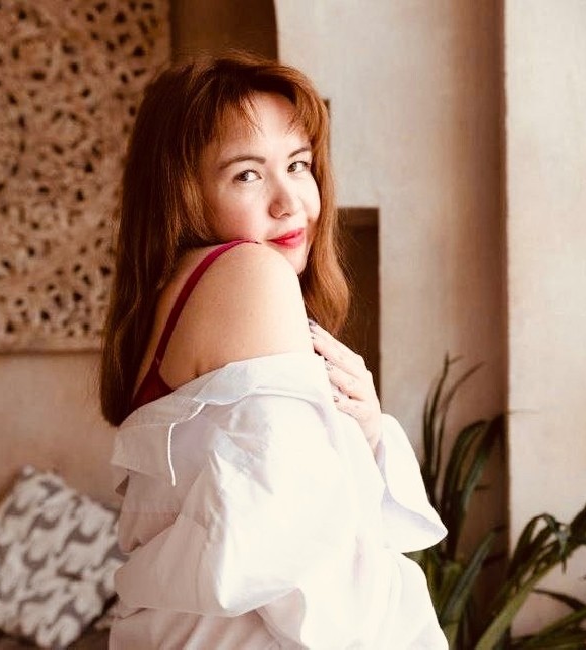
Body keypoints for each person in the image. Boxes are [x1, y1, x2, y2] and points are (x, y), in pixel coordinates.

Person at [100, 51, 448, 649]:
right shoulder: (249, 274)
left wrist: (365, 434)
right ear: (183, 193)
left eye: (298, 164)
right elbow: (306, 565)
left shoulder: (176, 296)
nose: (291, 202)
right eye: (247, 175)